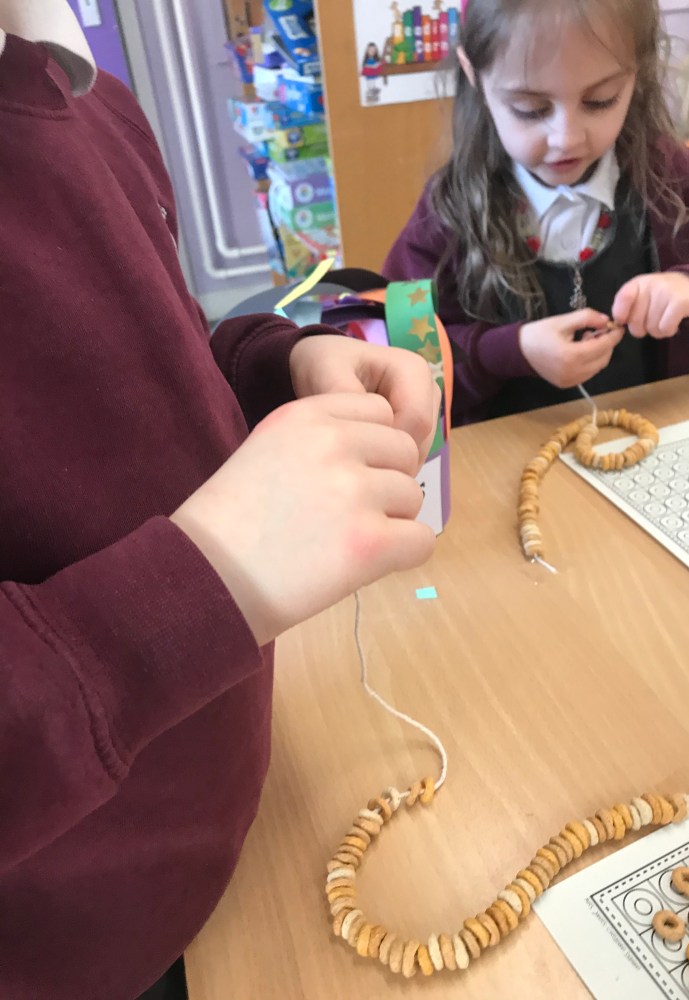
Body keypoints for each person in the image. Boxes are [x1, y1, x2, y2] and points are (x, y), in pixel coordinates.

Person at [0, 4, 439, 999]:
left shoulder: (95, 107)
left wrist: (280, 369)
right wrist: (205, 584)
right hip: (71, 960)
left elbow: (158, 372)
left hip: (234, 849)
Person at [384, 0, 689, 426]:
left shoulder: (676, 180)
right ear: (473, 74)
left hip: (655, 439)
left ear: (637, 72)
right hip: (507, 454)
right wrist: (509, 351)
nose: (566, 138)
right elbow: (402, 352)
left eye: (600, 101)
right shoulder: (447, 214)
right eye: (531, 109)